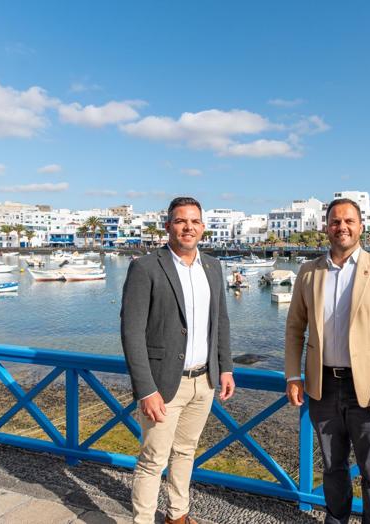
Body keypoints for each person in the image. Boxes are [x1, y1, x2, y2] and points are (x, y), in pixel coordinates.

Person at [284, 198, 370, 524]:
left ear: (360, 227)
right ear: (326, 227)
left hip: (367, 389)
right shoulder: (309, 272)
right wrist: (292, 376)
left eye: (349, 221)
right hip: (322, 386)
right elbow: (295, 328)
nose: (342, 227)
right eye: (336, 221)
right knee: (333, 467)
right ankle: (335, 520)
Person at [121, 196, 235, 524]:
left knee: (186, 452)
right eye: (181, 221)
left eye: (195, 221)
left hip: (204, 380)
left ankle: (177, 515)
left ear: (203, 227)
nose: (188, 227)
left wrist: (225, 367)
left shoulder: (212, 266)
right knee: (153, 459)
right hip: (162, 383)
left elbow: (221, 321)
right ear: (168, 226)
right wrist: (146, 389)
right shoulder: (146, 267)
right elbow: (132, 334)